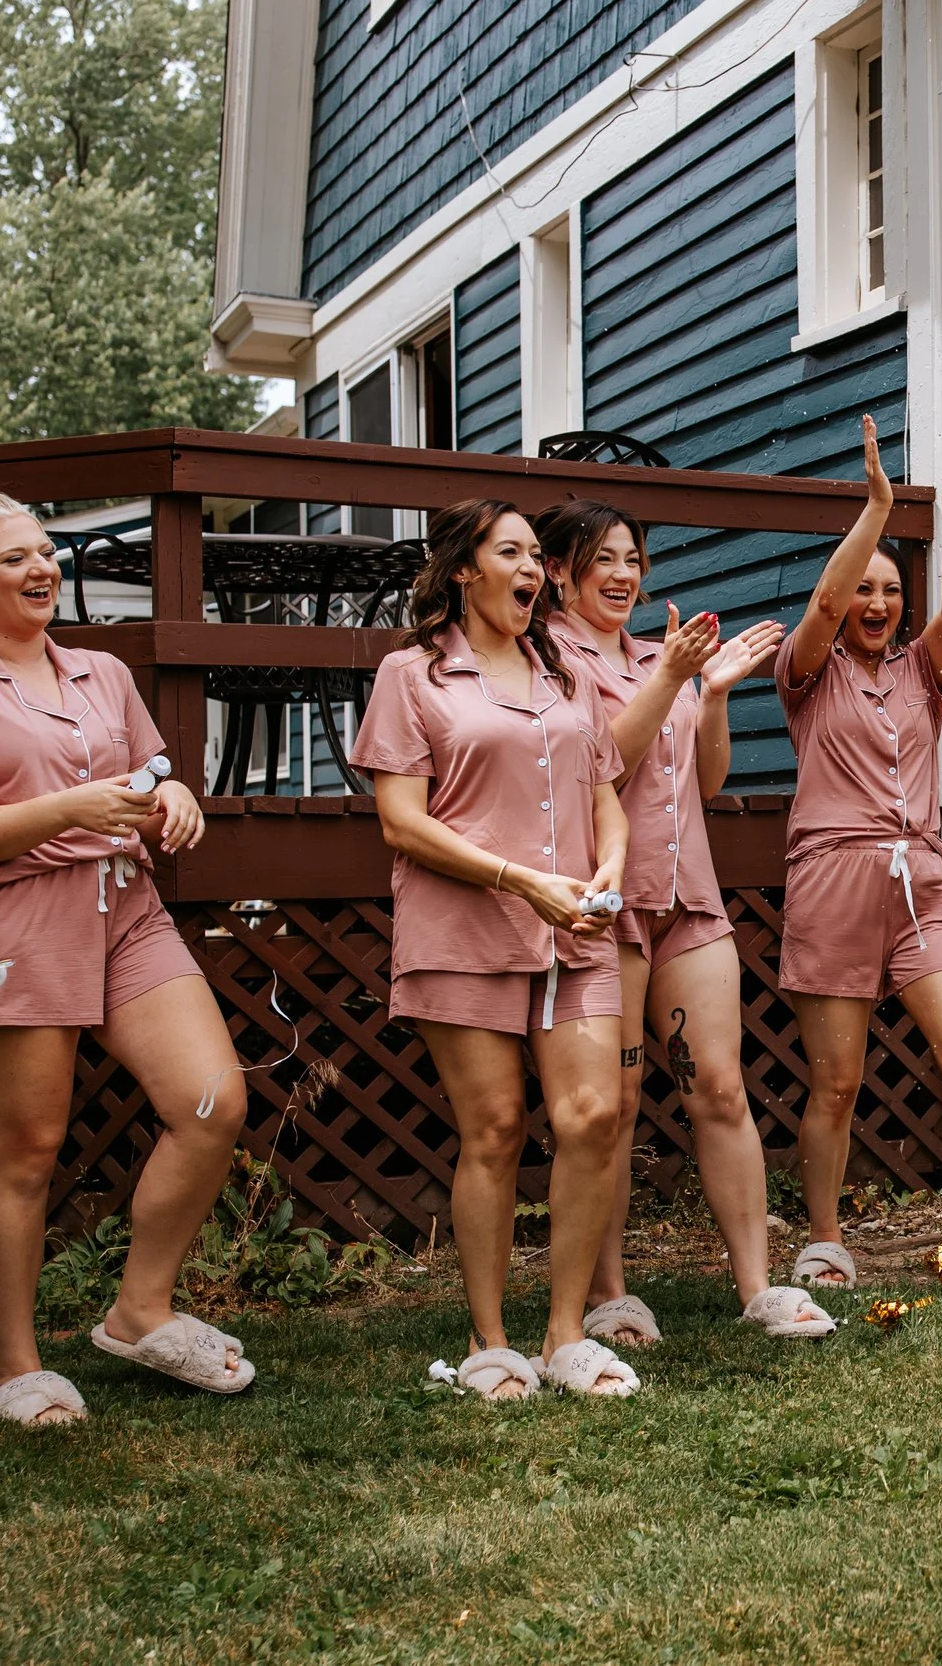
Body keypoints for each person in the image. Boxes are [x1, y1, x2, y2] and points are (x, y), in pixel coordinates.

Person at [0, 492, 255, 1426]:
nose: (42, 570)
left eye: (47, 552)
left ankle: (140, 1309)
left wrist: (177, 802)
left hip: (126, 909)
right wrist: (69, 811)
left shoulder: (100, 671)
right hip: (14, 923)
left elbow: (152, 775)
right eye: (15, 559)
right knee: (26, 1149)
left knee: (212, 1100)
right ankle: (18, 1368)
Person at [353, 499, 639, 1398]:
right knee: (496, 1129)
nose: (530, 568)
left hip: (574, 927)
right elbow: (401, 821)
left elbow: (606, 801)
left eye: (533, 557)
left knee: (594, 1114)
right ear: (465, 570)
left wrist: (608, 874)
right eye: (508, 551)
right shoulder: (413, 675)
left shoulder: (570, 676)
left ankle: (564, 1335)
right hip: (465, 928)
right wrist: (523, 881)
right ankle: (489, 1340)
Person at [541, 502, 834, 1344]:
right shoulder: (547, 661)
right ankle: (609, 1293)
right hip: (607, 902)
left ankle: (758, 1286)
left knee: (719, 1086)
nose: (624, 573)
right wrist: (673, 675)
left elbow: (703, 784)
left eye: (633, 556)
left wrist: (710, 695)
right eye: (603, 558)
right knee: (620, 1100)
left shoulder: (653, 653)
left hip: (688, 894)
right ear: (560, 570)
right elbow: (604, 762)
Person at [773, 419, 942, 1292]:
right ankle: (823, 1237)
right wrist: (879, 508)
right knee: (838, 1082)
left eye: (890, 589)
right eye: (866, 590)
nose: (877, 602)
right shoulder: (808, 674)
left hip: (919, 878)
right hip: (835, 878)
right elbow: (818, 608)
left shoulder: (924, 671)